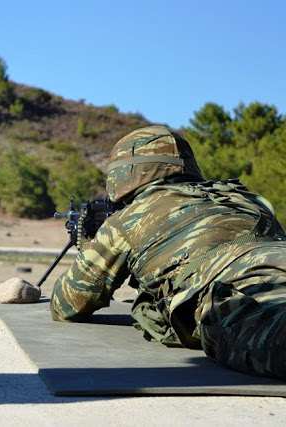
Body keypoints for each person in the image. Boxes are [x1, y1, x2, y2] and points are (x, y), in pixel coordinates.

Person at [50, 125, 286, 380]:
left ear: (123, 173)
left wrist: (90, 247)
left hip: (231, 285)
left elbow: (68, 304)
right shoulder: (243, 197)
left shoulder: (129, 218)